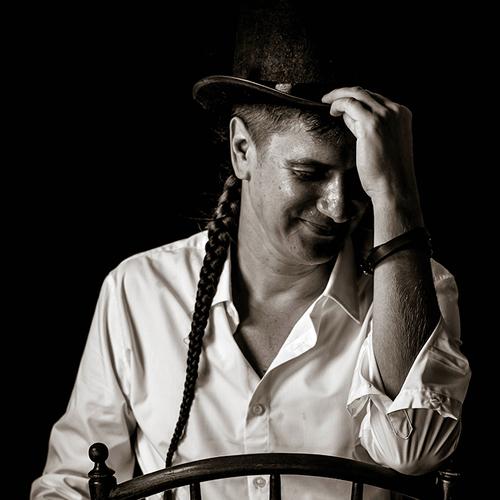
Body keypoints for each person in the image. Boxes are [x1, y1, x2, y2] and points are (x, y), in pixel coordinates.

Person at [31, 2, 471, 499]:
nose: (338, 206)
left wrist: (396, 196)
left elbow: (414, 452)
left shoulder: (419, 287)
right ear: (242, 150)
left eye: (361, 179)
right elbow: (71, 484)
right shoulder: (139, 291)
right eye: (308, 173)